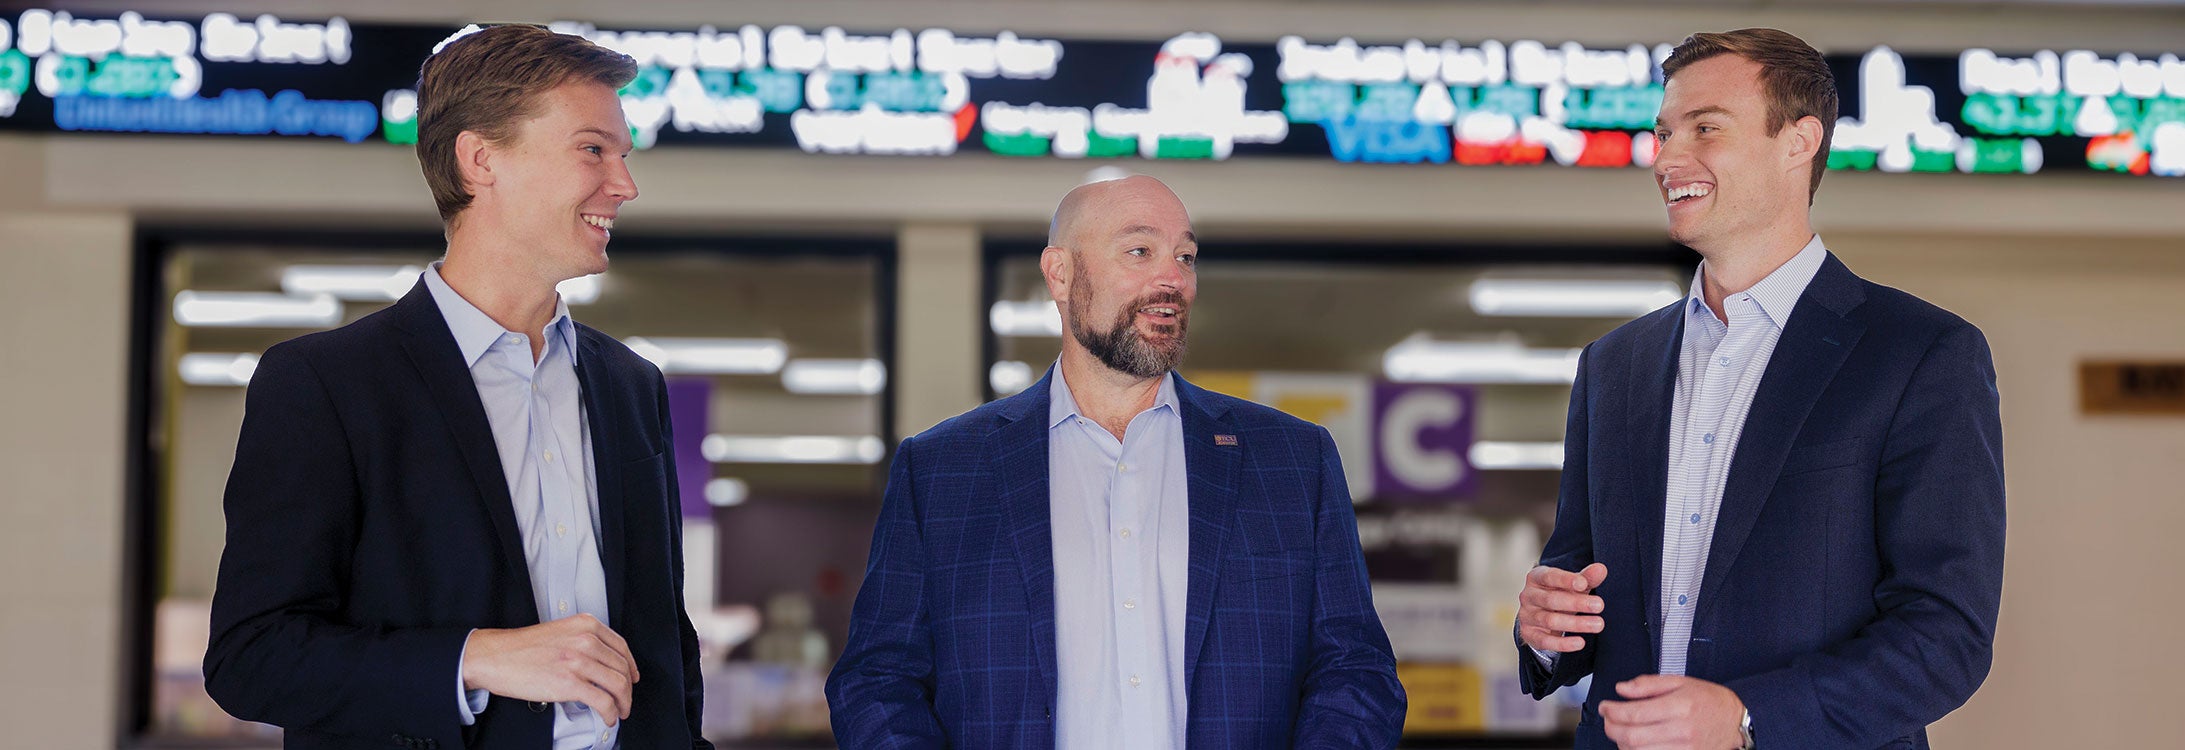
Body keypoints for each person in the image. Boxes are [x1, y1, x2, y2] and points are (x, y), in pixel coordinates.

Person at [204, 24, 711, 749]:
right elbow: (252, 658)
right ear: (480, 161)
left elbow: (667, 646)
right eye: (592, 149)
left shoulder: (632, 387)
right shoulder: (325, 384)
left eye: (623, 156)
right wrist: (478, 658)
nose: (623, 185)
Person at [1514, 28, 2005, 749]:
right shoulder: (1611, 365)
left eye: (1704, 128)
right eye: (1662, 133)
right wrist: (1547, 631)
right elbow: (1575, 578)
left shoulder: (1921, 354)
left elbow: (1945, 637)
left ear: (1798, 141)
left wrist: (1748, 718)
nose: (1667, 158)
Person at [826, 175, 1405, 748]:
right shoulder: (942, 471)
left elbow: (1356, 673)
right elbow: (878, 681)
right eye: (1139, 251)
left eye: (1185, 256)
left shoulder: (1292, 462)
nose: (1172, 279)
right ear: (1060, 273)